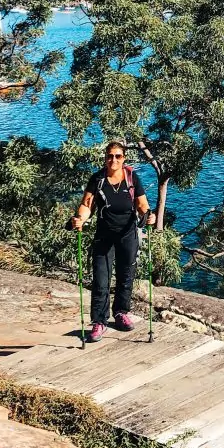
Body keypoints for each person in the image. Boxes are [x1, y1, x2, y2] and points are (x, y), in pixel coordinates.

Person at [71, 141, 155, 342]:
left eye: (118, 156)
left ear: (124, 158)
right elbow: (86, 204)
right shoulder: (98, 179)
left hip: (128, 234)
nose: (114, 160)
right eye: (110, 156)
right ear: (105, 157)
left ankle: (120, 313)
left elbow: (142, 204)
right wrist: (80, 219)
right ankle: (99, 322)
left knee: (127, 274)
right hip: (104, 234)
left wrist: (148, 216)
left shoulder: (132, 177)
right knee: (101, 279)